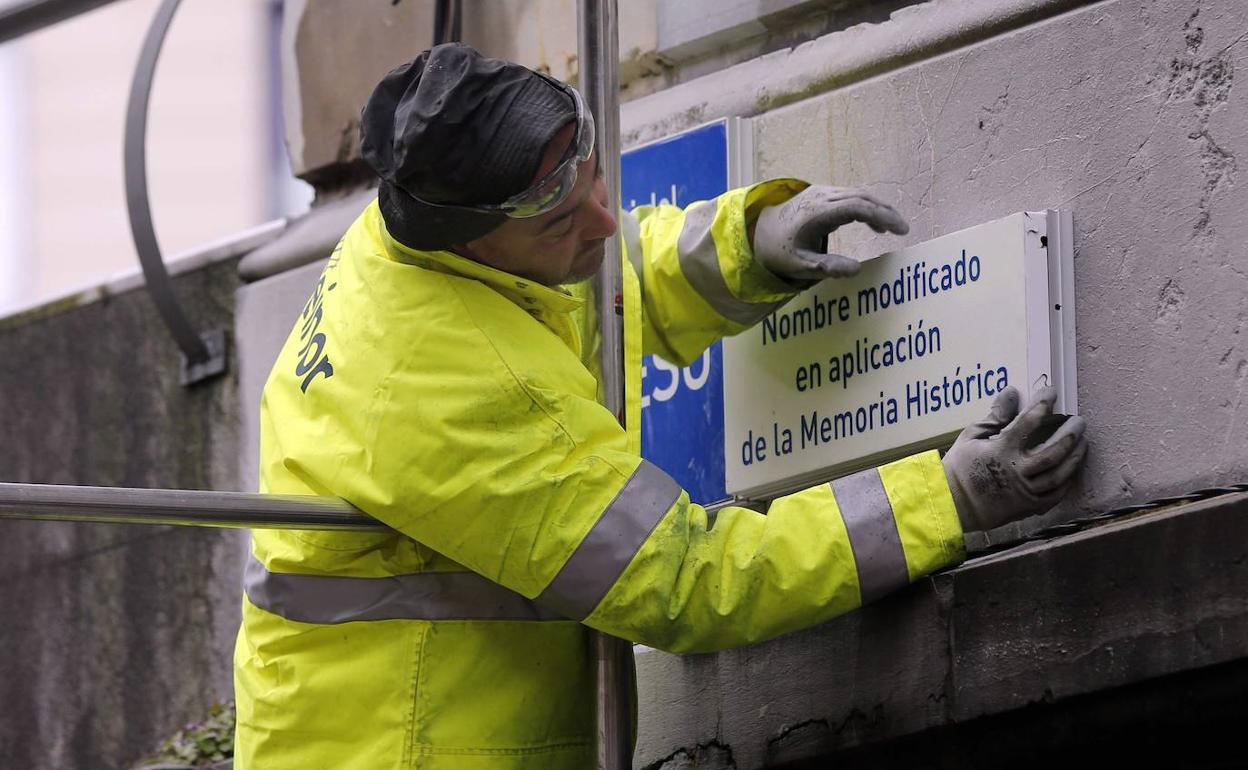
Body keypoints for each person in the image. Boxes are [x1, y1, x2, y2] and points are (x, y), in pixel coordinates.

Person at [233, 43, 1088, 769]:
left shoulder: (417, 228)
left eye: (595, 183)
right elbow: (688, 581)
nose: (604, 222)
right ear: (474, 236)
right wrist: (946, 500)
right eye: (564, 220)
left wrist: (751, 245)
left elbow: (592, 289)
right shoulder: (446, 391)